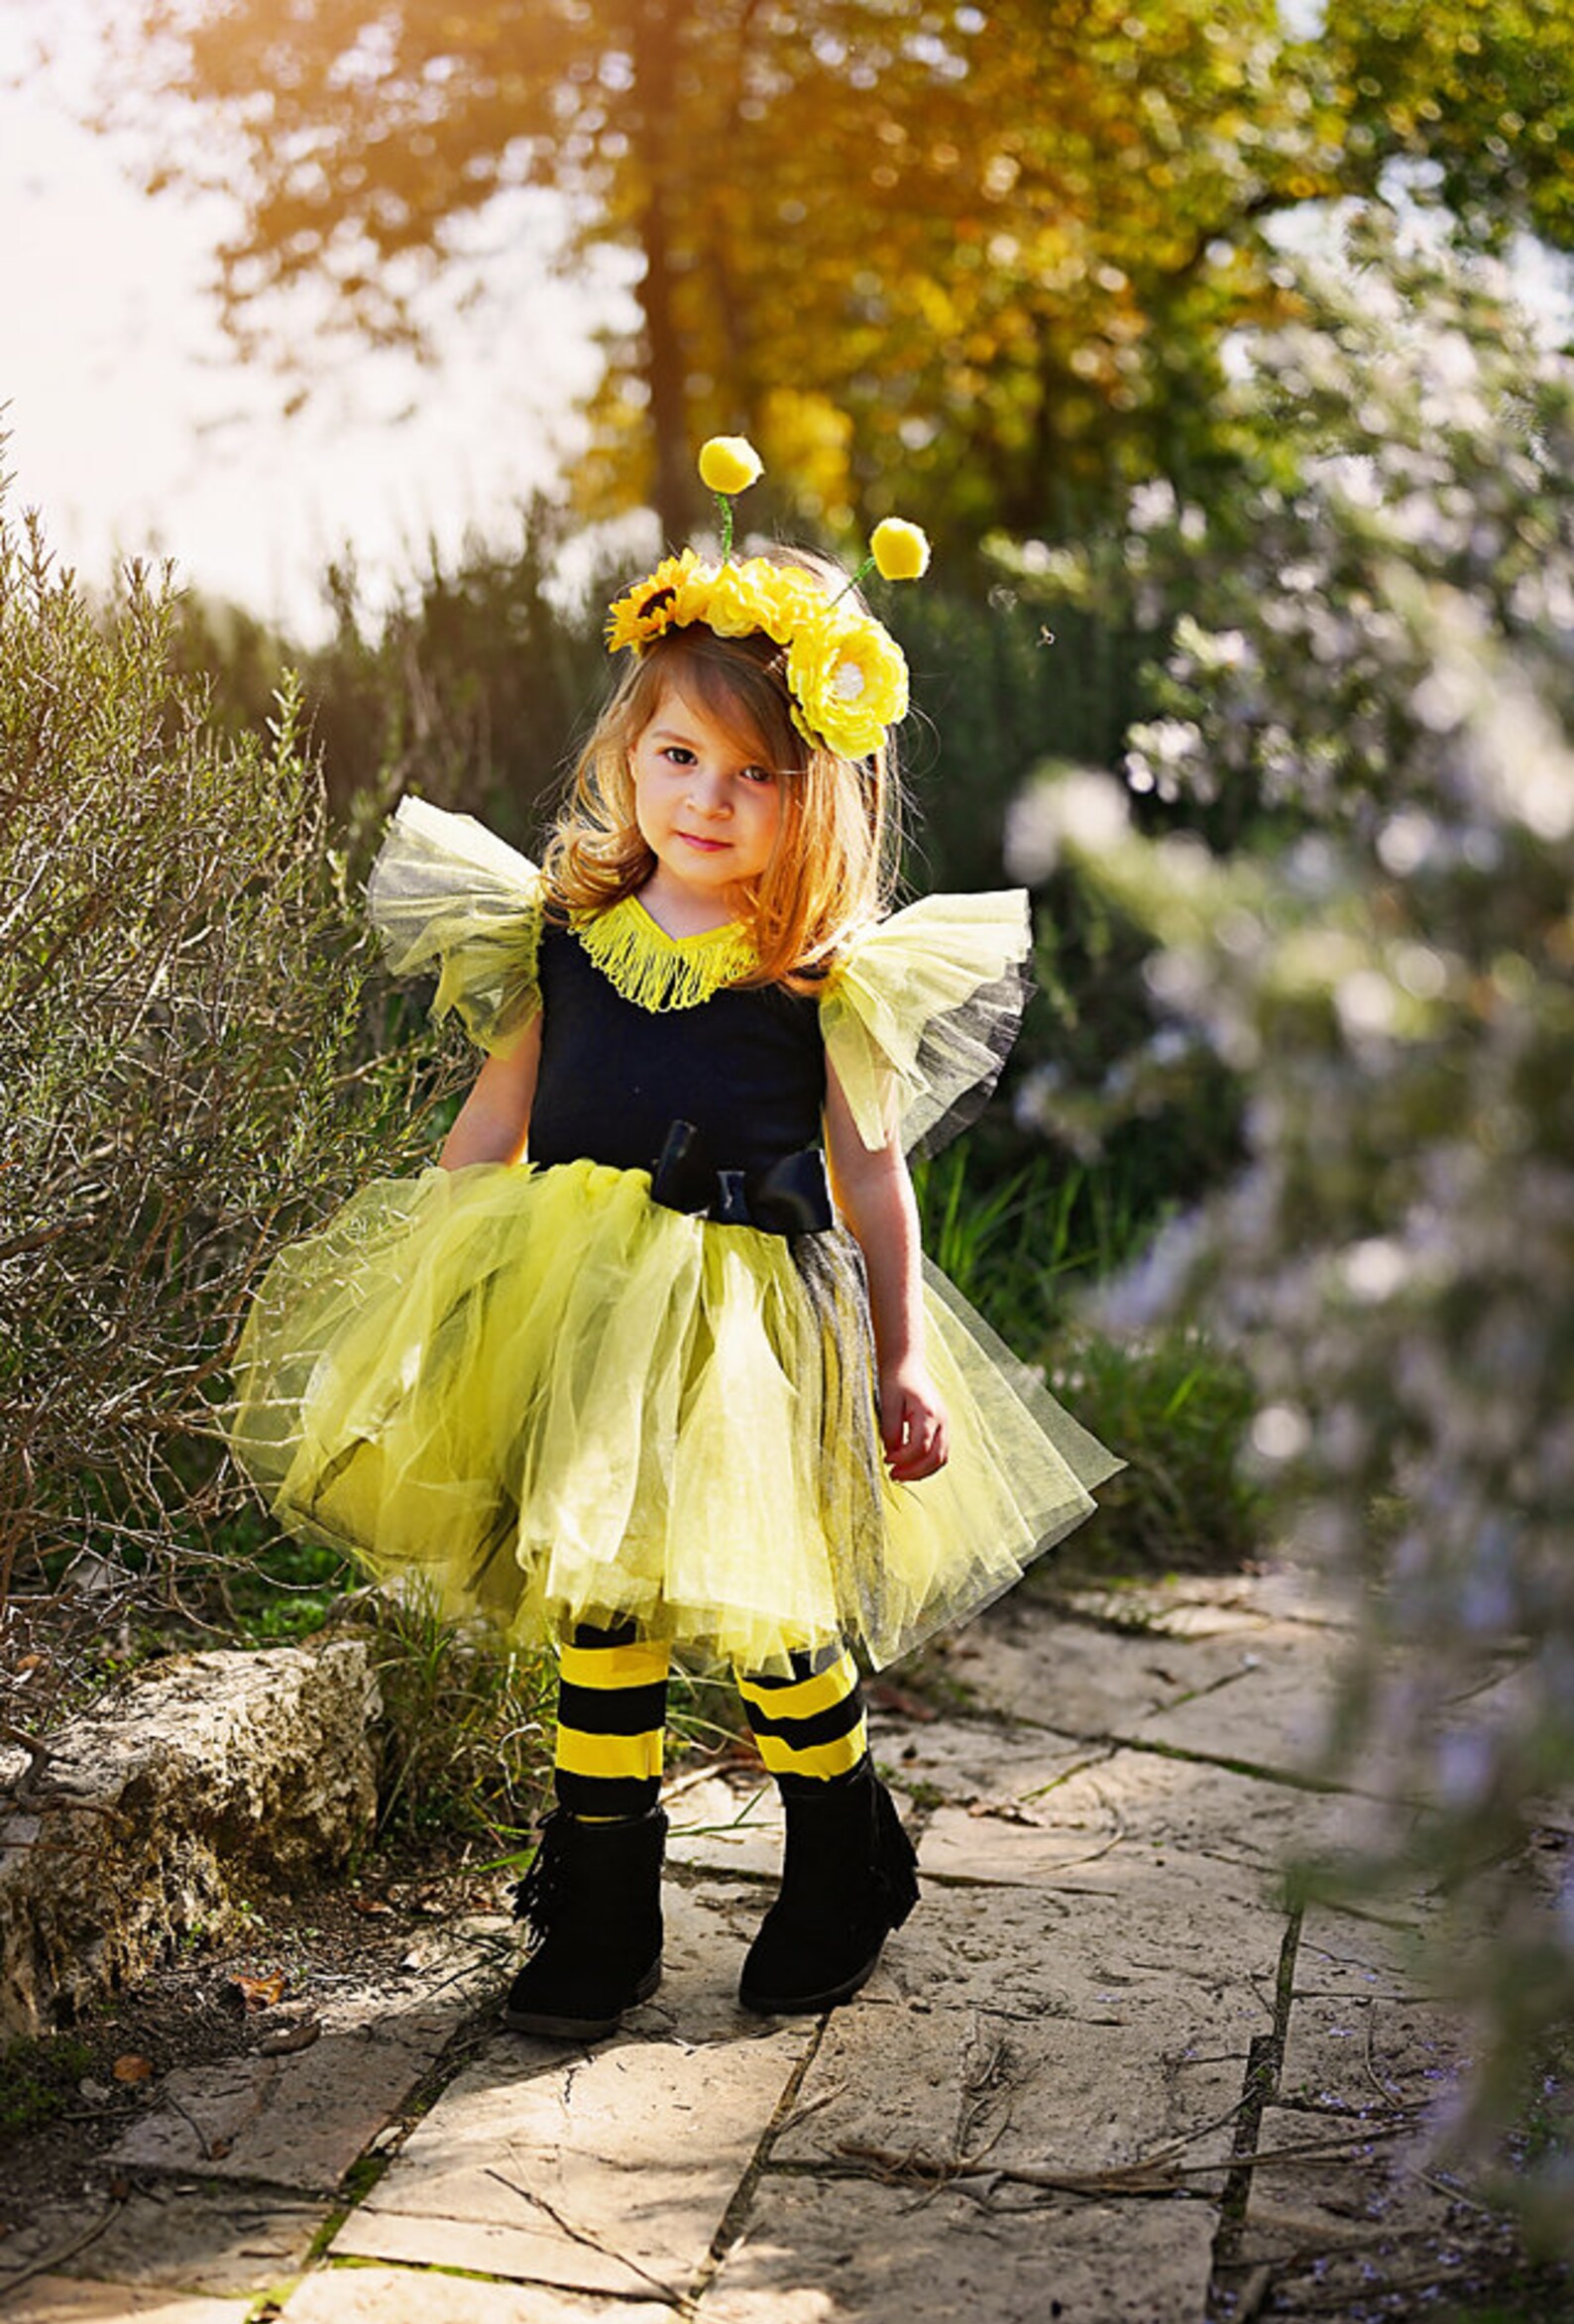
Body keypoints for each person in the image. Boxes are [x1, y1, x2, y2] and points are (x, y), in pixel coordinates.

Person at [229, 438, 1122, 2041]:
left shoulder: (818, 978)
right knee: (601, 1612)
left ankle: (843, 1845)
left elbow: (870, 1176)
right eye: (680, 757)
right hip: (566, 1308)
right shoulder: (559, 933)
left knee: (775, 1615)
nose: (709, 799)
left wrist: (906, 1354)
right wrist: (429, 1290)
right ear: (626, 754)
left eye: (757, 775)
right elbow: (493, 1124)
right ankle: (603, 1902)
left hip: (742, 1333)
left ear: (819, 795)